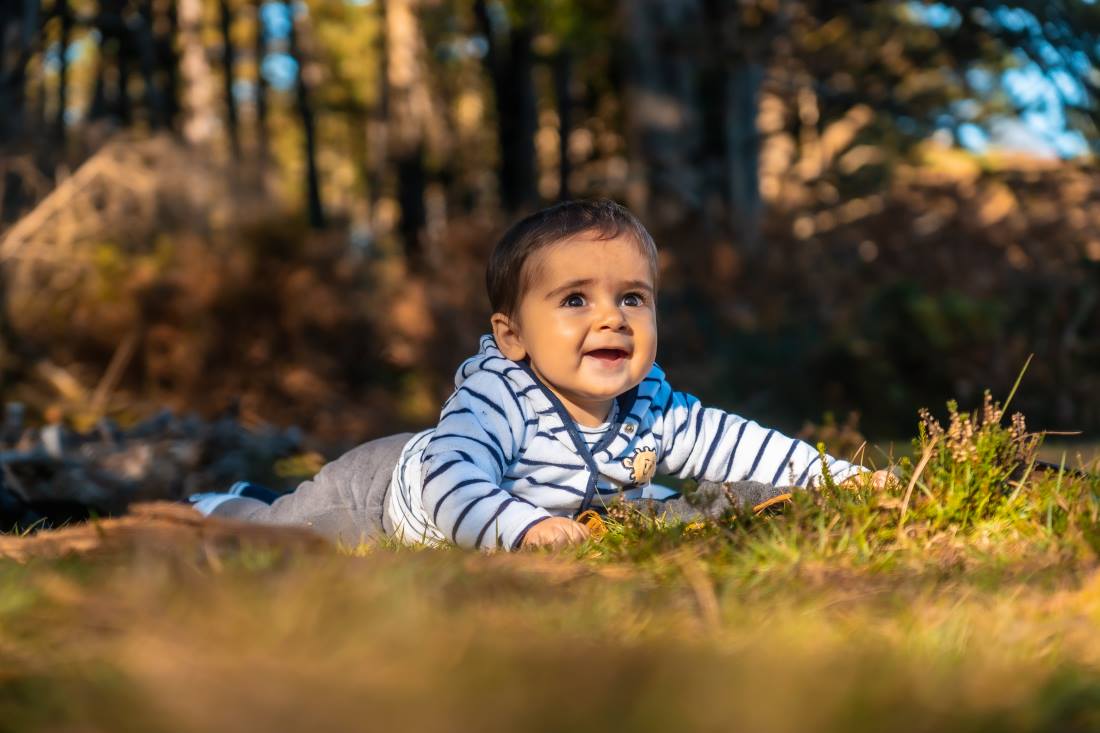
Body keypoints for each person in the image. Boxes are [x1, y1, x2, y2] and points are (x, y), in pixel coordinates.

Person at [190, 200, 889, 550]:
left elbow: (739, 442)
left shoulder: (651, 399)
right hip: (383, 494)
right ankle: (222, 504)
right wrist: (521, 529)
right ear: (513, 334)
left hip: (531, 506)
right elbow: (450, 480)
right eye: (576, 299)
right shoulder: (498, 396)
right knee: (282, 535)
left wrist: (844, 479)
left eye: (632, 298)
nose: (612, 318)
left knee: (668, 492)